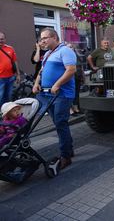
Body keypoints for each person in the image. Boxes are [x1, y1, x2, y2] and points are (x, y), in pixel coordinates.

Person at [32, 28, 76, 169]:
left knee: (60, 123)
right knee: (59, 123)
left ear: (54, 38)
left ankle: (65, 156)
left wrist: (57, 84)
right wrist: (36, 83)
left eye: (45, 38)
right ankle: (69, 149)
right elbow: (42, 70)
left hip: (62, 94)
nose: (42, 41)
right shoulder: (48, 54)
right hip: (46, 95)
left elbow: (71, 70)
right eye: (41, 38)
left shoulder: (65, 51)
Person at [0, 31, 20, 107]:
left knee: (8, 97)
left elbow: (15, 61)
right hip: (0, 79)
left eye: (2, 39)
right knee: (0, 97)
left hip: (10, 77)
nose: (0, 40)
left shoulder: (10, 49)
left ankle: (7, 114)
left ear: (5, 39)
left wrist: (18, 74)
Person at [66, 43, 83, 115]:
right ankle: (70, 110)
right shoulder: (65, 57)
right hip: (70, 77)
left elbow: (81, 67)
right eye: (69, 47)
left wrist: (83, 76)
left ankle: (76, 108)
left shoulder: (77, 56)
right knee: (70, 93)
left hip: (78, 77)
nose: (70, 48)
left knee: (76, 93)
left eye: (71, 47)